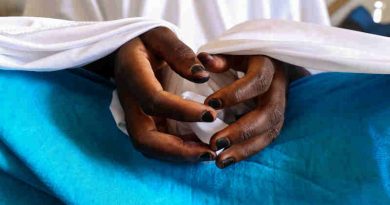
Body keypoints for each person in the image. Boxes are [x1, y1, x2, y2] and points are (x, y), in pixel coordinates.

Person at [19, 0, 329, 168]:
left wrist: (282, 65)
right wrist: (109, 51)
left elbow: (319, 65)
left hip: (269, 156)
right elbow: (41, 53)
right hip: (114, 152)